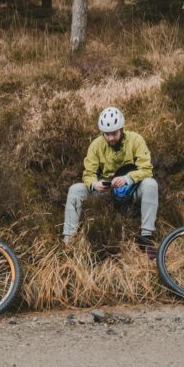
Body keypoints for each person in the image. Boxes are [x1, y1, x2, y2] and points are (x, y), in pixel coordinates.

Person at [62, 106, 159, 257]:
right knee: (75, 189)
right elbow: (88, 174)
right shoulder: (96, 145)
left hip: (131, 190)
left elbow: (147, 169)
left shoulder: (136, 140)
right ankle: (68, 241)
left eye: (114, 133)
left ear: (121, 129)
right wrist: (94, 184)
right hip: (105, 192)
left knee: (151, 184)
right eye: (107, 134)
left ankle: (146, 237)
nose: (111, 138)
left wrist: (127, 178)